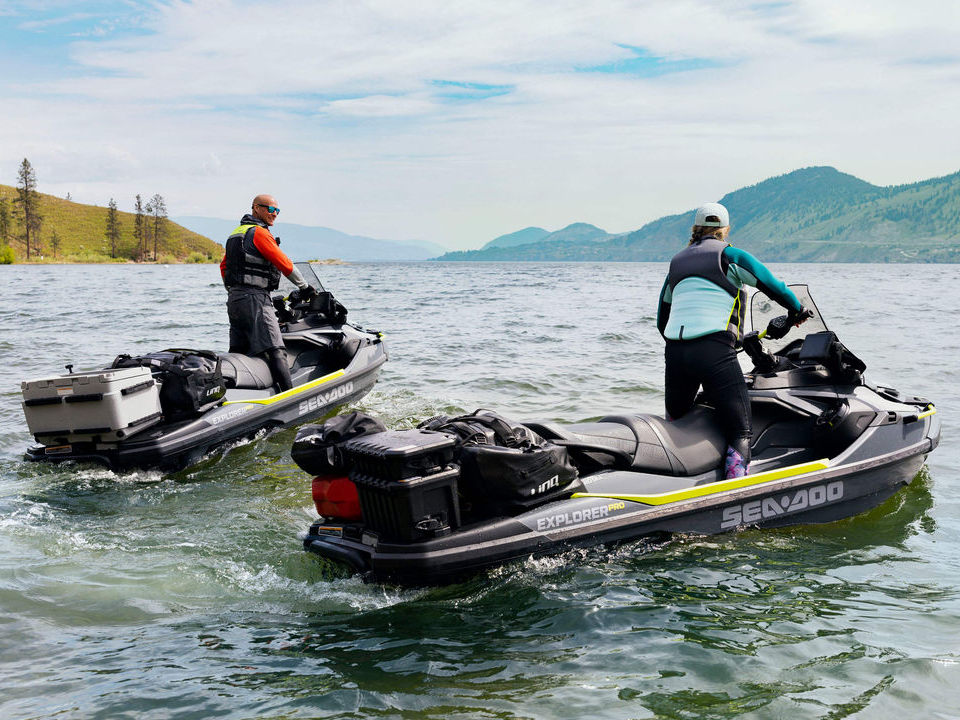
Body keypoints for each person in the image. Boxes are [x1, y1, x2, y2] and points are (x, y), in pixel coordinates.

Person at [656, 202, 809, 479]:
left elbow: (662, 318)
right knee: (740, 430)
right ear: (725, 230)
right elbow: (772, 285)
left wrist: (682, 346)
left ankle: (668, 481)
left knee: (676, 423)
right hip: (713, 351)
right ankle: (733, 495)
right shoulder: (729, 256)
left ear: (696, 229)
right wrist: (796, 310)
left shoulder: (676, 263)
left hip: (675, 352)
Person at [220, 194, 314, 391]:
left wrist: (233, 290)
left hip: (235, 300)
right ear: (256, 208)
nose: (274, 214)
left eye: (277, 210)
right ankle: (290, 401)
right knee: (275, 349)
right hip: (255, 298)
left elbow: (224, 266)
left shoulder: (236, 233)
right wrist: (304, 287)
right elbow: (283, 262)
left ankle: (235, 398)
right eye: (270, 209)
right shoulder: (259, 233)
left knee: (239, 351)